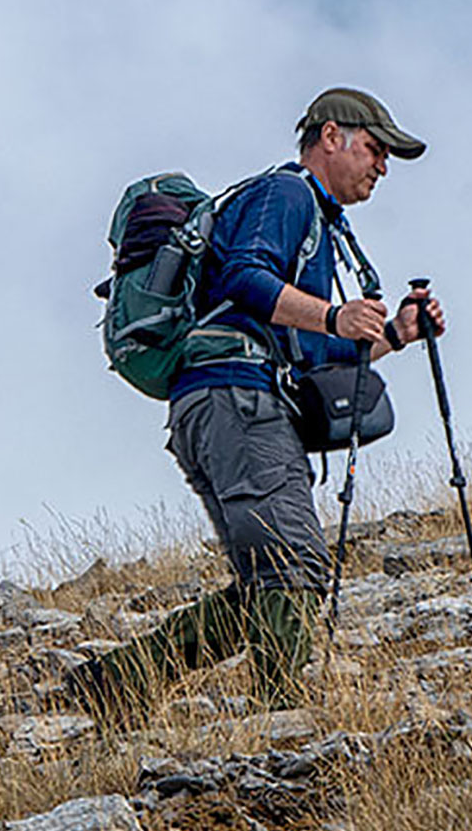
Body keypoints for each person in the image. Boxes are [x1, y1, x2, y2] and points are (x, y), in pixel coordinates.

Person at [70, 87, 445, 720]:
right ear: (332, 137)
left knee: (270, 576)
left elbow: (312, 358)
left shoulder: (318, 222)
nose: (382, 167)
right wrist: (333, 313)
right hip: (237, 401)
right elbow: (245, 279)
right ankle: (284, 723)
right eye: (376, 150)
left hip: (224, 402)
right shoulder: (289, 193)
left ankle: (119, 685)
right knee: (293, 564)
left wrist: (397, 334)